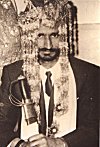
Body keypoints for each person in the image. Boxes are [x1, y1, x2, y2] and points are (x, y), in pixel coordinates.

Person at [0, 0, 99, 147]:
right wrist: (20, 145)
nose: (48, 45)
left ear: (64, 35)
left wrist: (58, 143)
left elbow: (93, 131)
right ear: (30, 37)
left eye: (54, 35)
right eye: (40, 36)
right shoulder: (13, 73)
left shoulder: (88, 73)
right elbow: (2, 124)